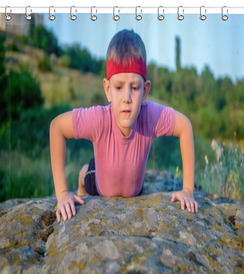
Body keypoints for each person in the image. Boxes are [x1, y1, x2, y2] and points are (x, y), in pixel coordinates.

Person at [50, 29, 198, 223]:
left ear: (145, 91)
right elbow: (56, 128)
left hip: (134, 190)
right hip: (100, 184)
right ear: (107, 89)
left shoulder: (150, 116)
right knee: (88, 174)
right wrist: (62, 193)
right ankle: (83, 173)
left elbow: (185, 126)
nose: (127, 98)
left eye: (134, 88)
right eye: (119, 87)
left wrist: (187, 190)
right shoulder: (99, 118)